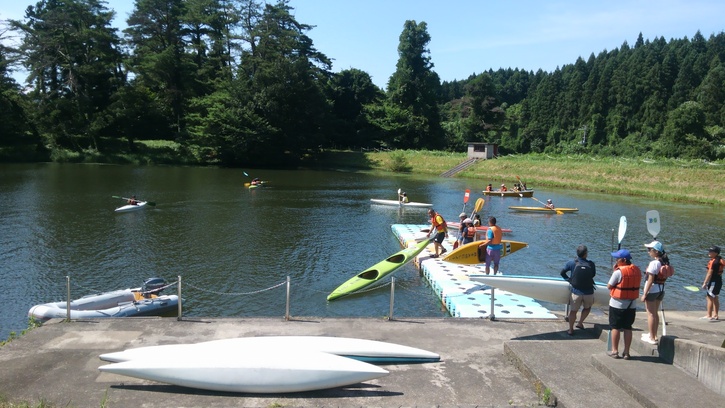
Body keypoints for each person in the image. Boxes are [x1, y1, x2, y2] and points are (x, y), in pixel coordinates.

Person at [607, 249, 642, 360]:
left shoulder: (618, 272)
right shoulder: (637, 270)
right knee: (628, 327)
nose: (616, 260)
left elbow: (609, 286)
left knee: (615, 327)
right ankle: (626, 353)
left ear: (624, 260)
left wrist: (614, 271)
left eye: (617, 259)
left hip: (617, 304)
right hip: (631, 305)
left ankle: (615, 351)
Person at [560, 245, 596, 335]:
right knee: (587, 308)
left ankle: (571, 330)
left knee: (573, 311)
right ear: (585, 254)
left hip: (576, 292)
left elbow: (562, 272)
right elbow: (593, 275)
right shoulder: (591, 264)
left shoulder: (571, 263)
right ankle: (580, 323)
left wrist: (569, 280)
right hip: (588, 292)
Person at [640, 240, 669, 344]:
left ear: (656, 251)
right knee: (655, 313)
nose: (648, 252)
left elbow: (651, 280)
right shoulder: (664, 262)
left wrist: (644, 294)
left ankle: (652, 338)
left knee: (651, 314)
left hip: (652, 291)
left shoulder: (654, 263)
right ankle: (654, 335)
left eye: (649, 250)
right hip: (661, 290)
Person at [702, 246, 724, 321]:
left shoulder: (713, 262)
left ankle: (709, 315)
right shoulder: (721, 260)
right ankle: (716, 315)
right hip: (719, 281)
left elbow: (709, 273)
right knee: (715, 297)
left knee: (709, 298)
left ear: (716, 253)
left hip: (713, 282)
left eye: (711, 251)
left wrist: (705, 283)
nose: (709, 253)